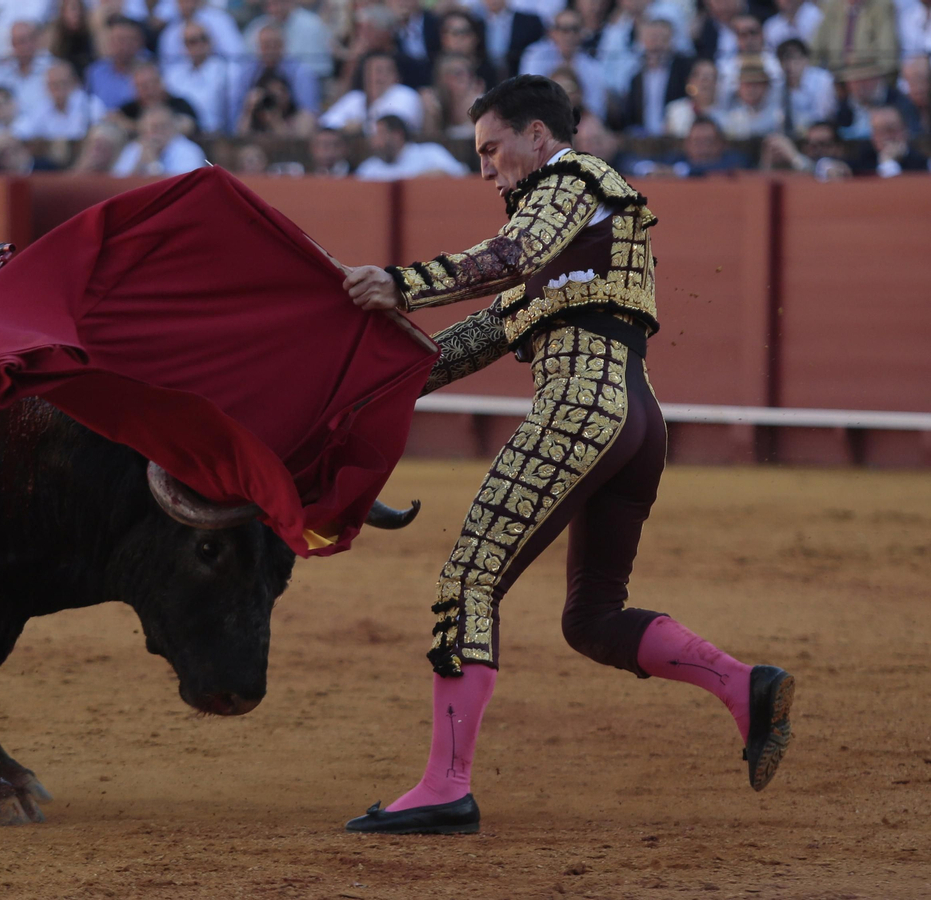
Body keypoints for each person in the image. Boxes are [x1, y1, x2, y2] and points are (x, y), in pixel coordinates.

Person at [335, 75, 795, 837]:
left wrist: (398, 283)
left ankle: (445, 786)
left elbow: (511, 254)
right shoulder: (572, 242)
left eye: (492, 148)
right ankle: (746, 687)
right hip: (635, 417)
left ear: (538, 137)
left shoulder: (571, 181)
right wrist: (358, 391)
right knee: (592, 616)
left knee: (470, 578)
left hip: (583, 404)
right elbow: (471, 339)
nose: (486, 168)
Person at [519, 9, 607, 120]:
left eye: (574, 29)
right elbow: (528, 96)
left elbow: (596, 110)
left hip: (579, 122)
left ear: (582, 33)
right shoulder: (535, 56)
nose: (569, 36)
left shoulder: (593, 67)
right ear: (552, 33)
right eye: (564, 30)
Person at [610, 18, 692, 135]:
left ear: (672, 42)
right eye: (653, 39)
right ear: (642, 42)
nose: (657, 45)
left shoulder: (685, 71)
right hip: (644, 142)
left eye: (663, 39)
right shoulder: (635, 77)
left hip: (676, 138)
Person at [319, 52, 423, 134]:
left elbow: (392, 127)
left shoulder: (404, 94)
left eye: (381, 71)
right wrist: (347, 127)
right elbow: (325, 123)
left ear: (396, 77)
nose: (377, 77)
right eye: (370, 71)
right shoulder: (355, 97)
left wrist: (358, 127)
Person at [353, 112, 469, 179]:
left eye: (380, 134)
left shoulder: (430, 153)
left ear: (397, 135)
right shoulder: (369, 168)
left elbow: (460, 174)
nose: (375, 142)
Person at [162, 22, 227, 133]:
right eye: (192, 41)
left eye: (203, 39)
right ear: (184, 46)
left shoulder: (225, 71)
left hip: (212, 134)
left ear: (210, 41)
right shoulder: (173, 75)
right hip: (178, 132)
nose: (199, 44)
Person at [110, 102, 205, 175]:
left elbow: (181, 187)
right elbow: (119, 182)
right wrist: (139, 164)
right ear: (143, 131)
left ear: (174, 128)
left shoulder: (189, 151)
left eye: (163, 126)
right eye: (153, 127)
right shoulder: (134, 148)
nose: (158, 132)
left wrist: (153, 165)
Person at [14, 59, 95, 139]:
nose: (59, 89)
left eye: (63, 83)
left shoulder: (90, 104)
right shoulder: (42, 106)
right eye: (54, 85)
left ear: (74, 83)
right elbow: (22, 131)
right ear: (47, 86)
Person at [810, 0, 898, 72]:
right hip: (836, 79)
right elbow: (814, 51)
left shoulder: (882, 6)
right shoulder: (832, 7)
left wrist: (860, 61)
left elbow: (888, 57)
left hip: (868, 77)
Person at [84, 15, 148, 110]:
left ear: (139, 42)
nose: (125, 46)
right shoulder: (95, 72)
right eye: (120, 40)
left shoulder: (150, 71)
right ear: (110, 42)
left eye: (130, 40)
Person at [773, 38, 835, 131]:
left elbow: (823, 117)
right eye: (784, 60)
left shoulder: (823, 80)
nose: (789, 65)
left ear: (806, 59)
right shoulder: (778, 87)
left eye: (794, 59)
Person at [847, 104, 930, 174]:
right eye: (880, 131)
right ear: (873, 136)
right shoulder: (862, 163)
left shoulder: (923, 163)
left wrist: (888, 163)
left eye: (891, 130)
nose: (886, 137)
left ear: (905, 130)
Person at [714, 58, 783, 138]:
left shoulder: (778, 114)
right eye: (747, 85)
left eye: (756, 84)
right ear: (739, 88)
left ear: (766, 87)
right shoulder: (726, 114)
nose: (751, 90)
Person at [663, 57, 720, 137]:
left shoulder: (729, 116)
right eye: (698, 75)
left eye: (710, 76)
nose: (704, 81)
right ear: (690, 81)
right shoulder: (674, 111)